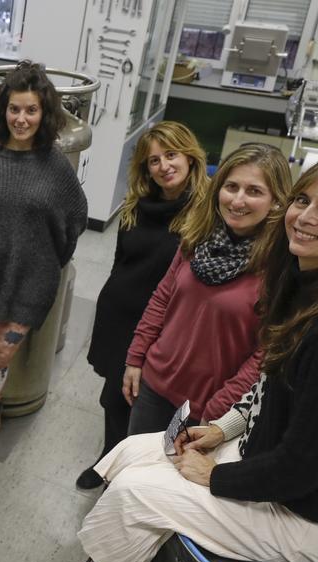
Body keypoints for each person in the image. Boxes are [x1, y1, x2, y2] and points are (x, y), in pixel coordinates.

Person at [31, 154, 318, 562]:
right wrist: (221, 430)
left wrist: (215, 477)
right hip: (270, 467)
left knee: (136, 495)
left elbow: (301, 468)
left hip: (309, 518)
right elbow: (267, 392)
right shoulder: (308, 292)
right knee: (132, 452)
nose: (306, 218)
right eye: (303, 201)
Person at [0, 60, 87, 467]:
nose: (21, 118)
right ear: (2, 110)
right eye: (14, 108)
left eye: (31, 110)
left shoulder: (55, 165)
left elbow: (74, 220)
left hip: (31, 281)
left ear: (44, 114)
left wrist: (47, 263)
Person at [119, 143, 293, 441]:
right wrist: (136, 358)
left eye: (254, 191)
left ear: (276, 201)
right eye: (231, 186)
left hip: (209, 407)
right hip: (155, 384)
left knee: (170, 482)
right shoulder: (198, 237)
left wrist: (218, 410)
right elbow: (162, 298)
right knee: (132, 467)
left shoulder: (280, 267)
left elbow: (265, 353)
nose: (238, 200)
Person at [76, 121, 209, 489]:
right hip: (120, 318)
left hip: (166, 325)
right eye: (153, 160)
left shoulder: (205, 213)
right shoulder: (136, 204)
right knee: (114, 397)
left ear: (189, 156)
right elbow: (121, 263)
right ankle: (108, 460)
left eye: (171, 155)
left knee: (147, 403)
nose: (164, 165)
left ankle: (135, 474)